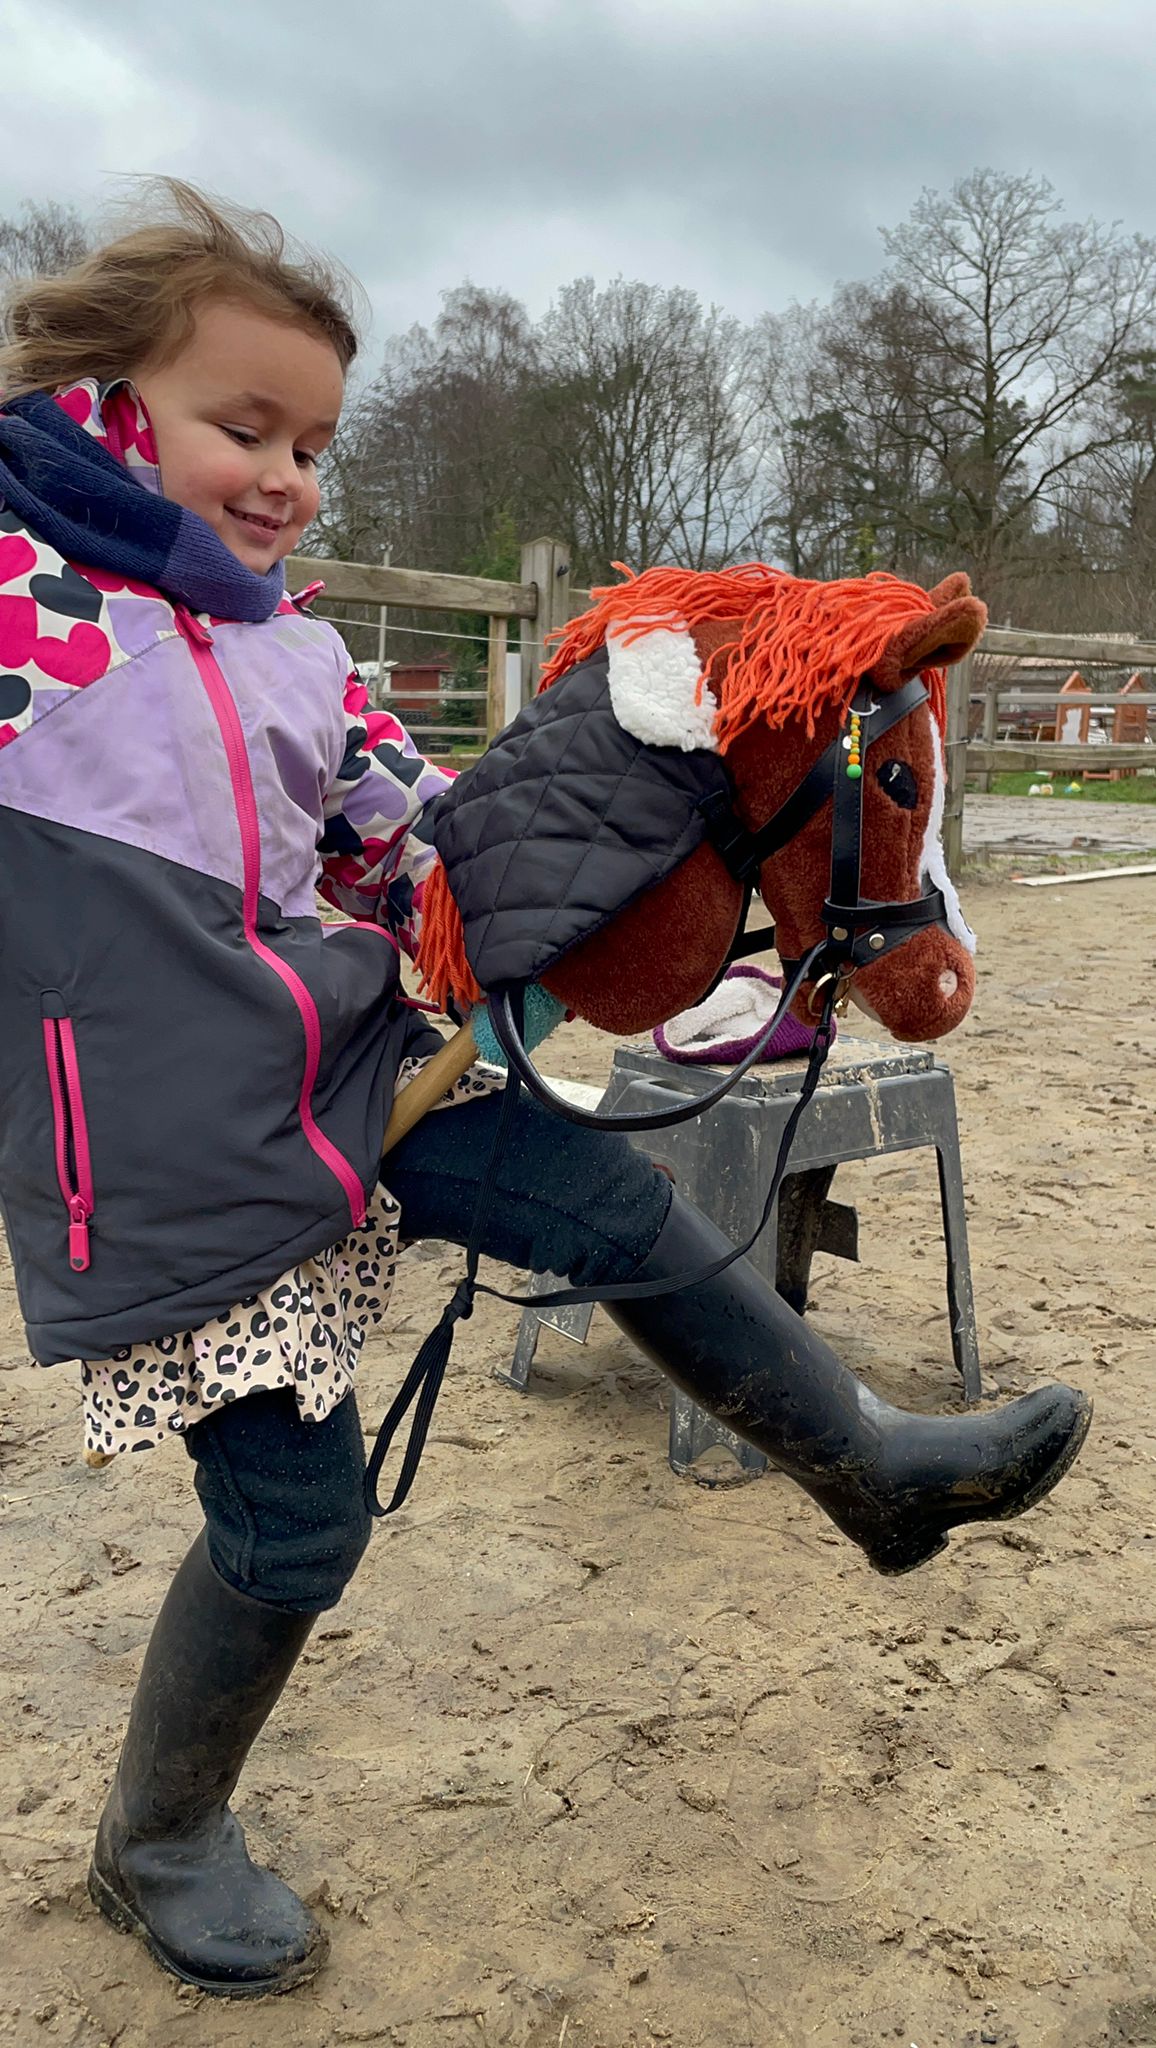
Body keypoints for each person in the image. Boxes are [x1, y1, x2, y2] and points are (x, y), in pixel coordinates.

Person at [0, 181, 1090, 2001]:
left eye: (314, 447)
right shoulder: (21, 622)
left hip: (346, 1061)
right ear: (109, 401)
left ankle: (871, 1467)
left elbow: (420, 845)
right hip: (169, 1148)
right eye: (244, 427)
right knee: (298, 1524)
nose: (286, 477)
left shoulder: (291, 647)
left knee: (608, 1201)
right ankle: (160, 1836)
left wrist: (627, 832)